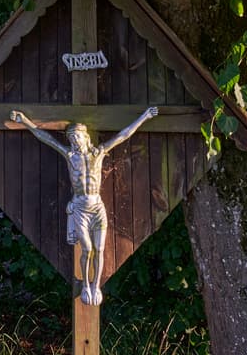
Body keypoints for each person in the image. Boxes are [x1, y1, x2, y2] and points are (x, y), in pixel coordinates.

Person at [8, 105, 160, 305]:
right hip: (80, 207)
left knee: (100, 248)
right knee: (87, 249)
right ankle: (86, 285)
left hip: (97, 207)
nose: (74, 142)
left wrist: (144, 116)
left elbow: (123, 135)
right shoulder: (70, 156)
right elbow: (46, 138)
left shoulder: (98, 153)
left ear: (86, 138)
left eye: (77, 137)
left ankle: (96, 285)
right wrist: (25, 121)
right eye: (71, 139)